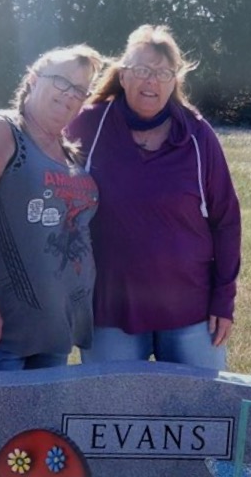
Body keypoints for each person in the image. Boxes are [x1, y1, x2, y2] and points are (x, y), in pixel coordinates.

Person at [65, 25, 241, 370]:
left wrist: (224, 299)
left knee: (199, 414)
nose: (152, 82)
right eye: (143, 71)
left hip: (191, 311)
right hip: (109, 310)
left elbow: (227, 221)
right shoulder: (89, 125)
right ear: (124, 75)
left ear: (175, 80)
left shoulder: (196, 134)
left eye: (163, 73)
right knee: (111, 416)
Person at [0, 45, 106, 370]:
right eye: (62, 82)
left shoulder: (68, 153)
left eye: (80, 90)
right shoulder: (1, 131)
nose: (70, 95)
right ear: (34, 78)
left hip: (50, 331)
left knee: (39, 423)